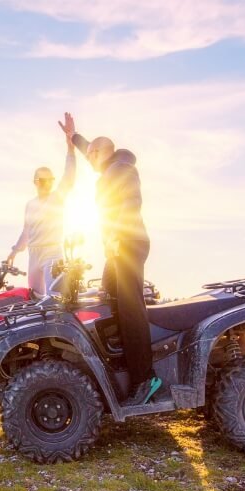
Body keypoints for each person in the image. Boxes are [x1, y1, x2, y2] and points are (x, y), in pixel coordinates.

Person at [58, 113, 161, 406]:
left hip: (128, 244)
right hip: (117, 248)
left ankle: (146, 378)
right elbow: (93, 147)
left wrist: (116, 236)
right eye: (88, 152)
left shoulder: (122, 169)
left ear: (107, 151)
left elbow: (129, 202)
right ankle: (121, 364)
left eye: (94, 152)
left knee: (130, 307)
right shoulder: (110, 165)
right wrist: (74, 137)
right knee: (105, 297)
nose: (90, 156)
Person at [7, 114, 76, 295]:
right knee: (33, 298)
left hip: (52, 252)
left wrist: (70, 148)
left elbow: (69, 177)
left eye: (50, 180)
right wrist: (14, 252)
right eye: (42, 180)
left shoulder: (57, 198)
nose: (46, 183)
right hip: (33, 255)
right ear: (35, 182)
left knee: (55, 297)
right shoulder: (30, 205)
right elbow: (27, 231)